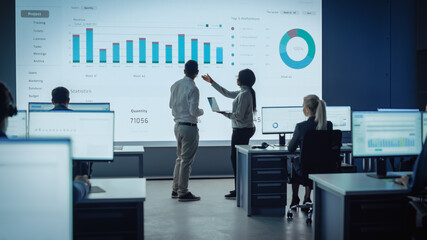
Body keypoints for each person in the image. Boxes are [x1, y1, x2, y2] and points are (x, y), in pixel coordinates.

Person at [0, 81, 90, 204]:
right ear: (9, 111)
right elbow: (67, 194)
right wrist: (82, 183)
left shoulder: (41, 119)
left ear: (52, 101)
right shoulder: (12, 157)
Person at [202, 69, 257, 199]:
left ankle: (239, 190)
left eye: (238, 77)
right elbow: (226, 93)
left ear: (243, 79)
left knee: (236, 160)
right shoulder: (244, 92)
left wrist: (223, 113)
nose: (236, 78)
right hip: (243, 129)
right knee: (237, 159)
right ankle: (239, 189)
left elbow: (238, 115)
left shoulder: (245, 94)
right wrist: (212, 82)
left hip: (241, 131)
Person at [287, 94, 332, 207]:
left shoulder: (301, 127)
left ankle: (295, 198)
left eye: (303, 106)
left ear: (307, 109)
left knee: (295, 160)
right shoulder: (328, 125)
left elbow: (291, 149)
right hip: (325, 169)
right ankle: (307, 197)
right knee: (311, 162)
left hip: (306, 171)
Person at [170, 60, 204, 202]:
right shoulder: (193, 88)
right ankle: (183, 192)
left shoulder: (175, 85)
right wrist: (202, 111)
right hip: (189, 127)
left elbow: (170, 105)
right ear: (196, 73)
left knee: (180, 158)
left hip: (177, 125)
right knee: (186, 161)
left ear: (184, 71)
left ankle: (175, 189)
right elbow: (193, 111)